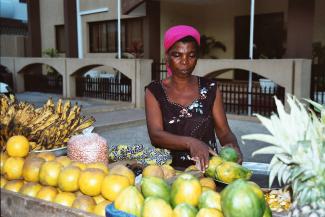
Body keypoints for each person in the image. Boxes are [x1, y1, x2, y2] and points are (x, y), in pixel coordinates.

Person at [145, 25, 243, 171]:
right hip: (168, 171)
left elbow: (224, 131)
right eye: (177, 55)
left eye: (191, 55)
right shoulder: (155, 91)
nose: (185, 61)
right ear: (167, 57)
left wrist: (232, 145)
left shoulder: (210, 88)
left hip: (207, 170)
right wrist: (191, 143)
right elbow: (156, 135)